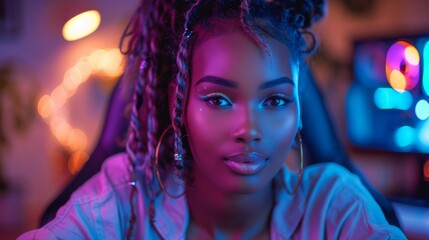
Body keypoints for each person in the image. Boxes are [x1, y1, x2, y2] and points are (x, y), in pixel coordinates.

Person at [19, 0, 407, 239]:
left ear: (299, 110)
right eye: (219, 99)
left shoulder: (336, 207)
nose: (249, 131)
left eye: (274, 100)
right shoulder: (122, 198)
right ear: (179, 104)